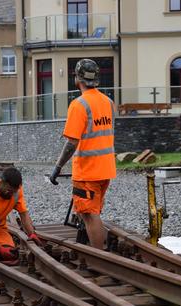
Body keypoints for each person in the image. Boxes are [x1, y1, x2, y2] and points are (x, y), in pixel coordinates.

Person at [49, 59, 116, 250]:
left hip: (88, 170)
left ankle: (99, 257)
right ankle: (98, 249)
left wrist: (57, 167)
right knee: (93, 211)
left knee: (89, 213)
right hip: (106, 168)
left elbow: (72, 142)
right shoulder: (108, 103)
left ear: (77, 78)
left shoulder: (79, 105)